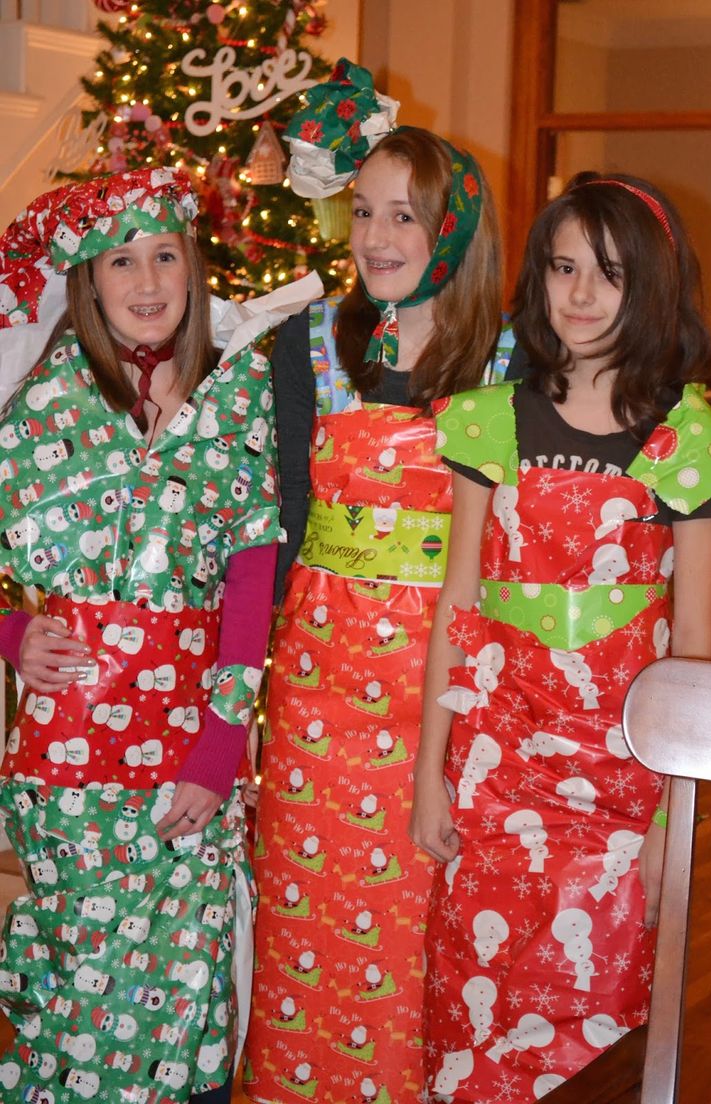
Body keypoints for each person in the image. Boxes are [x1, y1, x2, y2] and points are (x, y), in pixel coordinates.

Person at [410, 171, 711, 1100]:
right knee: (473, 1003)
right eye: (562, 268)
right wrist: (431, 770)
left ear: (655, 290)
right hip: (493, 762)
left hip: (621, 786)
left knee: (593, 1008)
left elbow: (692, 662)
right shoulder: (490, 421)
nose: (581, 296)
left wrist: (685, 815)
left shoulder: (689, 441)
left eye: (610, 275)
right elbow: (458, 606)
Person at [0, 166, 316, 1104]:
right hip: (65, 762)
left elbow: (253, 580)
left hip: (190, 754)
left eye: (166, 255)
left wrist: (220, 751)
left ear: (194, 268)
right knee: (72, 1003)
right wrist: (14, 633)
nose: (147, 280)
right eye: (121, 259)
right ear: (88, 281)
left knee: (184, 1006)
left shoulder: (240, 392)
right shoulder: (41, 399)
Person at [243, 60, 513, 1104]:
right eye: (363, 211)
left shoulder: (510, 360)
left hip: (443, 694)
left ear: (453, 229)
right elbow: (276, 522)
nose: (375, 237)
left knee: (418, 930)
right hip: (317, 694)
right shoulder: (304, 344)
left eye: (404, 215)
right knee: (305, 914)